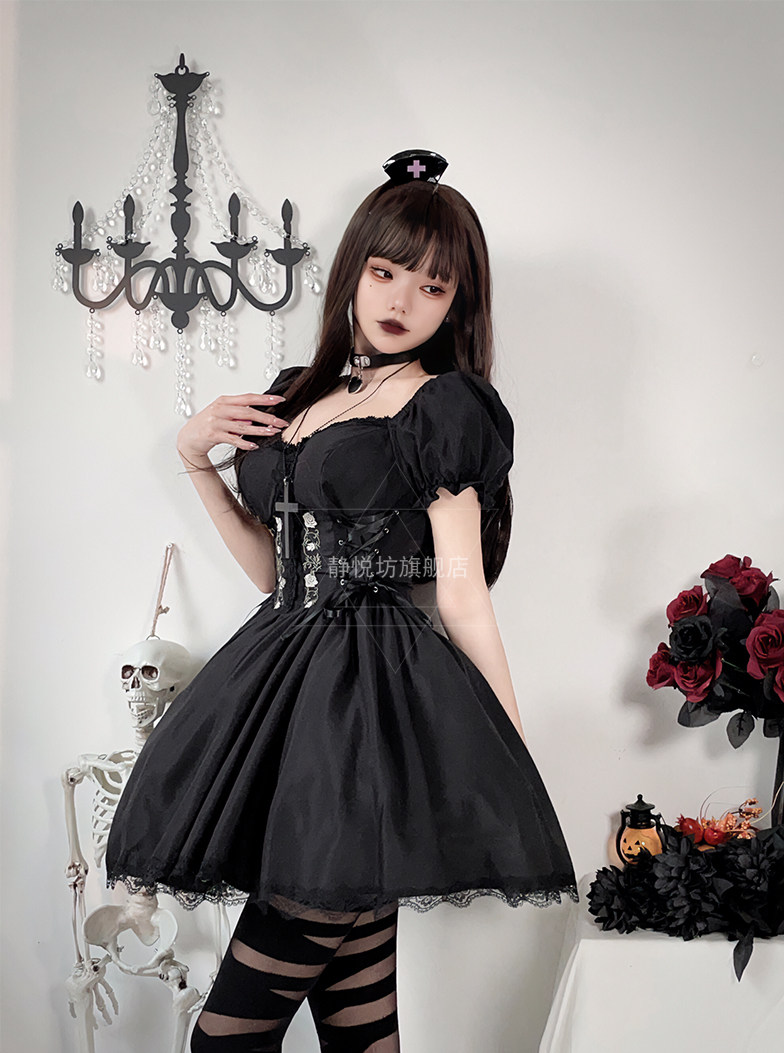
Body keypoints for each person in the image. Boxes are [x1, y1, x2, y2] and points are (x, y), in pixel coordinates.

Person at [105, 150, 578, 1052]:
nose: (402, 300)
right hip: (282, 688)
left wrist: (505, 750)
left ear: (457, 304)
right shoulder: (296, 393)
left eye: (433, 286)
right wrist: (196, 462)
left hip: (370, 711)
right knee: (360, 1024)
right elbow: (272, 574)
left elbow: (462, 592)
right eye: (386, 271)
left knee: (228, 1036)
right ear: (355, 269)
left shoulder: (445, 406)